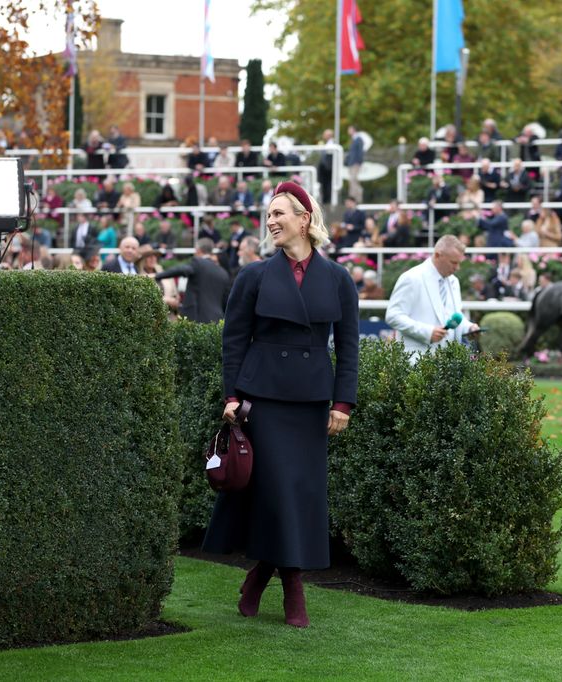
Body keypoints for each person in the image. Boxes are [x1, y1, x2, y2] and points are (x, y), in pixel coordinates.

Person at [202, 181, 358, 630]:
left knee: (300, 495)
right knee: (275, 493)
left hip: (310, 402)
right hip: (263, 400)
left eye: (279, 214)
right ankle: (293, 586)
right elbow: (233, 342)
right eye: (269, 215)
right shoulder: (253, 276)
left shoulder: (338, 279)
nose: (271, 222)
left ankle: (259, 577)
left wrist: (343, 403)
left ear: (304, 220)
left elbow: (348, 348)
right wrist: (232, 396)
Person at [385, 234, 480, 357]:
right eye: (453, 262)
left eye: (459, 263)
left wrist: (468, 328)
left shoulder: (453, 281)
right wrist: (427, 332)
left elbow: (453, 317)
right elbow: (393, 316)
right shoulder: (412, 278)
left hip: (447, 363)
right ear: (437, 255)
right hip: (414, 360)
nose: (457, 268)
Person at [345, 125, 364, 203]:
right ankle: (353, 198)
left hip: (355, 163)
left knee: (353, 180)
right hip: (352, 163)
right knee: (353, 181)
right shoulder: (354, 140)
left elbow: (360, 152)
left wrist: (358, 162)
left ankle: (355, 198)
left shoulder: (358, 139)